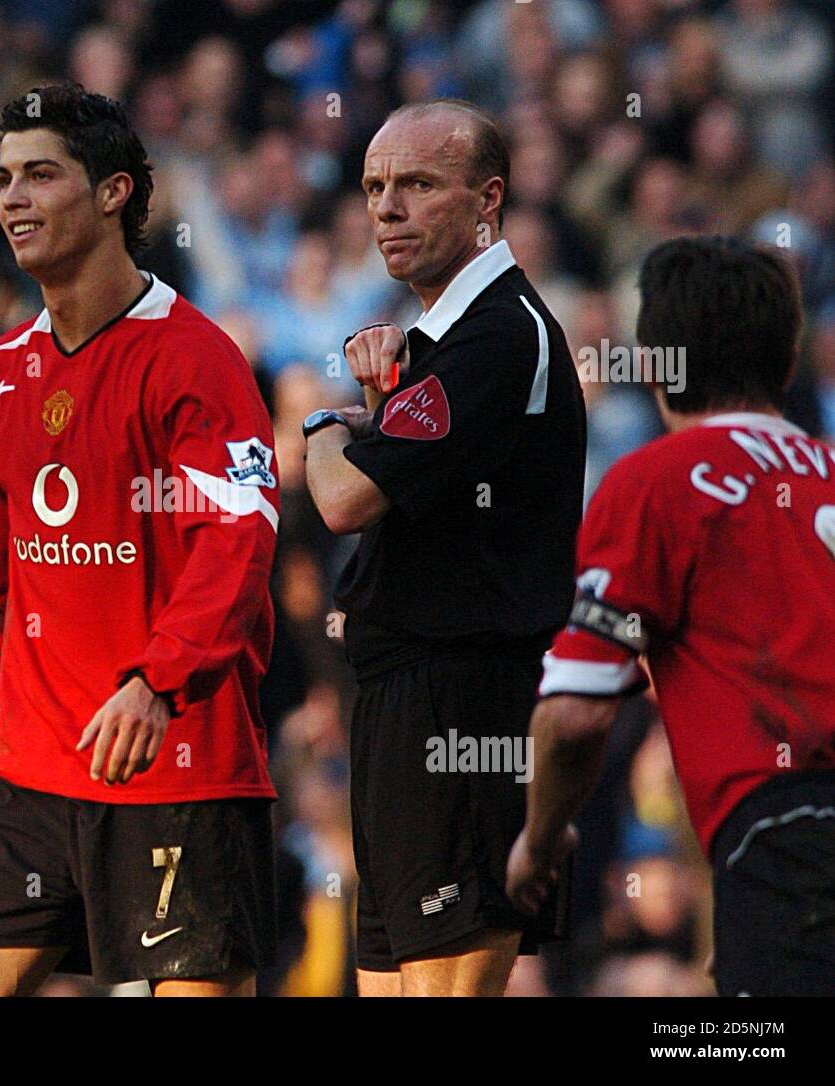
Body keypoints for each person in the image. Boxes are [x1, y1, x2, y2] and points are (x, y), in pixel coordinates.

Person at [0, 83, 280, 997]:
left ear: (115, 191)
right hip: (28, 775)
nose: (12, 199)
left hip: (178, 773)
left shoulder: (196, 360)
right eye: (3, 179)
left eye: (41, 174)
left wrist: (159, 680)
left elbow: (239, 539)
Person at [303, 99, 586, 995]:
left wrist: (322, 421)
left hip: (463, 712)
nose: (386, 208)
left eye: (418, 185)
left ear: (487, 199)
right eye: (376, 187)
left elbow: (343, 496)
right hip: (406, 706)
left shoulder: (499, 333)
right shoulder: (450, 341)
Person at [507, 235, 835, 997]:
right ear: (788, 363)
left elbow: (578, 715)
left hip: (785, 842)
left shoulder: (656, 484)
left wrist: (539, 841)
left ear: (651, 363)